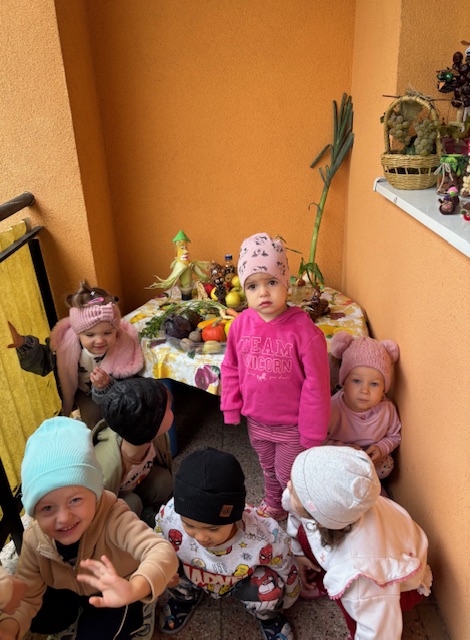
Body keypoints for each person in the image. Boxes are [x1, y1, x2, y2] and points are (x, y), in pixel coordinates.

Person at [0, 417, 178, 640]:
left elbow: (161, 551)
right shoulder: (34, 538)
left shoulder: (113, 516)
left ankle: (140, 611)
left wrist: (136, 587)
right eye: (47, 508)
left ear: (95, 493)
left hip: (116, 586)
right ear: (33, 512)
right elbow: (27, 598)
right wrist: (9, 628)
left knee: (104, 632)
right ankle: (75, 616)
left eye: (75, 500)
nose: (63, 518)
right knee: (41, 619)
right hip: (70, 587)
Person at [221, 232, 330, 520]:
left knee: (288, 474)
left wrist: (313, 432)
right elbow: (230, 367)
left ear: (286, 283)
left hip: (292, 425)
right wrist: (231, 406)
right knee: (267, 467)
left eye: (271, 282)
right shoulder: (240, 325)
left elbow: (317, 386)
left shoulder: (305, 332)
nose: (263, 292)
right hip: (256, 421)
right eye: (252, 285)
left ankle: (303, 515)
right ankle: (275, 504)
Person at [283, 446, 432, 639]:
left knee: (354, 602)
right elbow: (298, 514)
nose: (288, 486)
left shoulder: (360, 575)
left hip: (393, 584)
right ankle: (320, 577)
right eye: (294, 482)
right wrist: (298, 553)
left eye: (296, 491)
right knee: (304, 534)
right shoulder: (341, 503)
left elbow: (380, 632)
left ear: (318, 514)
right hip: (381, 552)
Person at [155, 447, 300, 640]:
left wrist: (288, 599)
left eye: (213, 528)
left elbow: (285, 565)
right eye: (189, 525)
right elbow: (155, 543)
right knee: (165, 562)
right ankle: (184, 599)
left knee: (268, 587)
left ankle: (268, 617)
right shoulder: (170, 516)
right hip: (191, 573)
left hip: (240, 580)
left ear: (236, 516)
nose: (201, 537)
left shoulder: (264, 534)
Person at [7, 280, 144, 428]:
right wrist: (24, 345)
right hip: (81, 391)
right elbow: (44, 362)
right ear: (77, 332)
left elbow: (129, 388)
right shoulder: (64, 346)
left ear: (116, 330)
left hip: (111, 389)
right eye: (90, 335)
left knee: (117, 417)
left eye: (107, 333)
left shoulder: (124, 348)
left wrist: (107, 385)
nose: (99, 340)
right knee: (92, 422)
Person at [91, 377, 174, 525]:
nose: (171, 409)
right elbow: (95, 512)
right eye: (168, 409)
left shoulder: (151, 435)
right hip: (113, 500)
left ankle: (147, 512)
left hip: (136, 482)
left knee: (163, 481)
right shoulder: (106, 469)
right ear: (151, 425)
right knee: (132, 504)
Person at [325, 331, 401, 480]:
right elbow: (316, 440)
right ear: (344, 382)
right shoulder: (331, 408)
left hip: (369, 459)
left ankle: (365, 484)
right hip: (337, 456)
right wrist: (343, 449)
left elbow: (394, 436)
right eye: (356, 381)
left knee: (386, 465)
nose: (365, 390)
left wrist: (381, 448)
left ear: (384, 388)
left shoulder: (387, 410)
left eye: (374, 384)